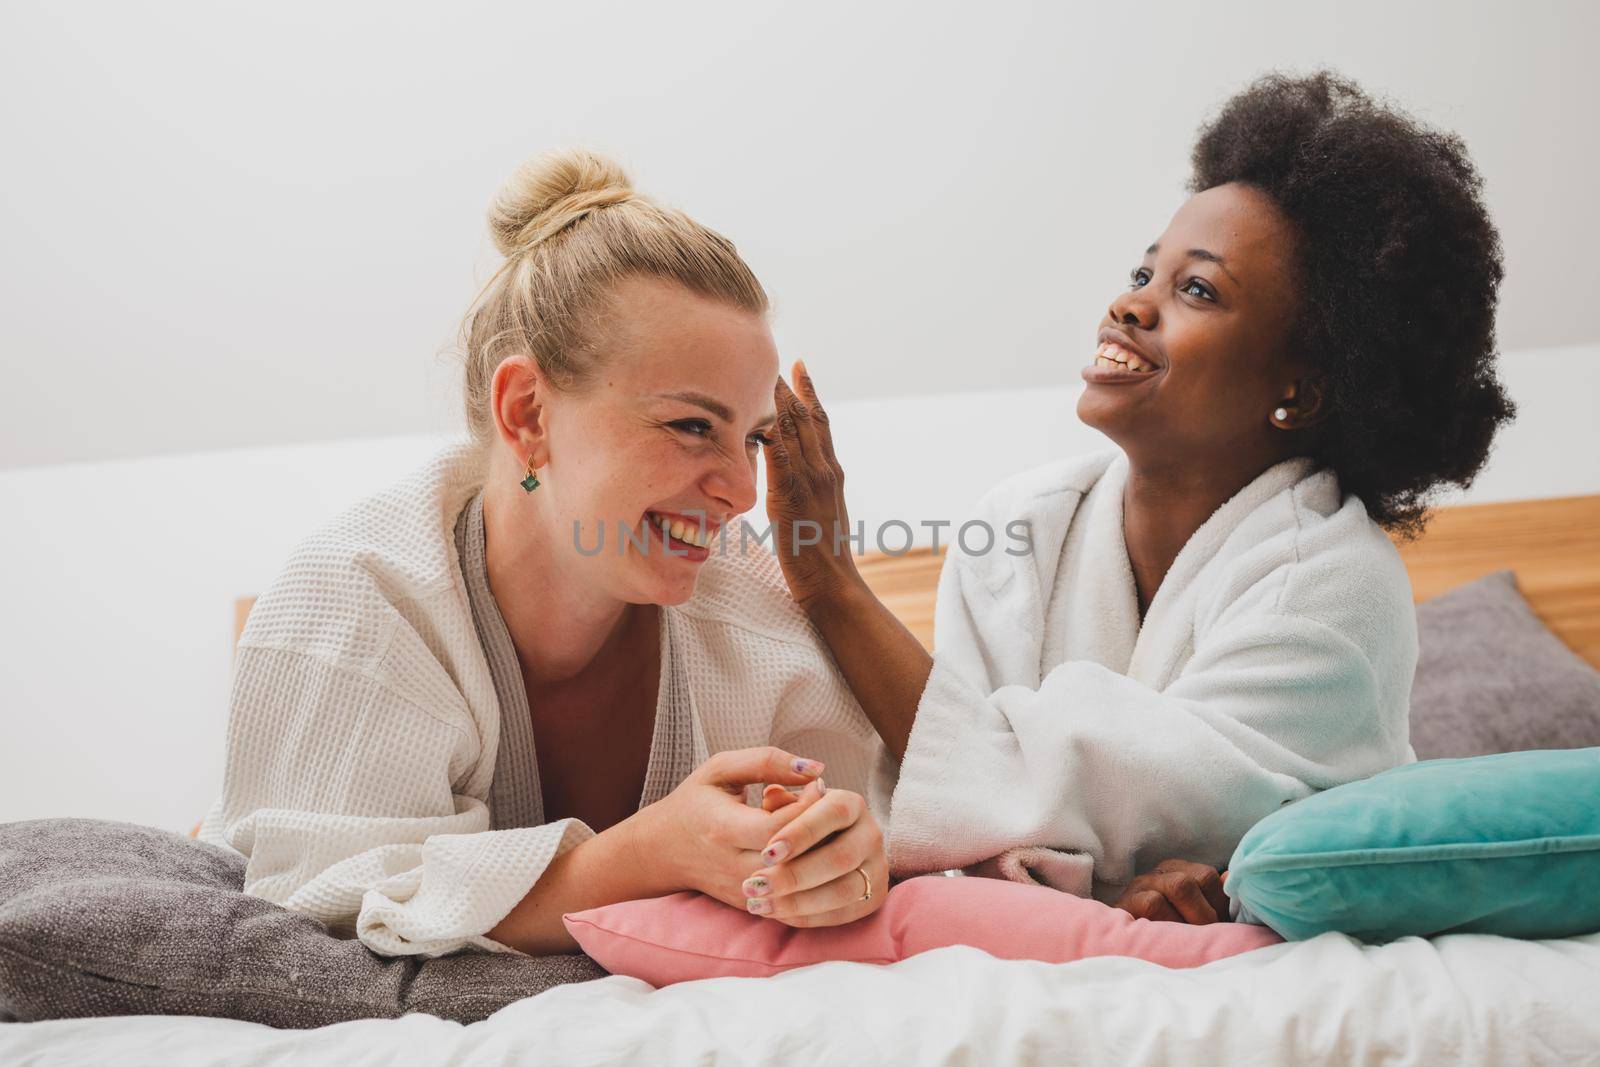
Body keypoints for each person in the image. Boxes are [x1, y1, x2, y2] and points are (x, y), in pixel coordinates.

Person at [756, 70, 1516, 923]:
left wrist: (832, 583)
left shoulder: (1336, 584)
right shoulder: (1020, 527)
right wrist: (1106, 884)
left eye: (1197, 289)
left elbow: (1024, 784)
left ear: (1298, 391)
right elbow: (961, 811)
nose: (1128, 304)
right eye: (1144, 272)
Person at [198, 149, 897, 958]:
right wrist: (647, 851)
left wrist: (845, 862)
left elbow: (878, 846)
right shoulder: (359, 595)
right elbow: (323, 897)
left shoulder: (758, 617)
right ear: (527, 412)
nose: (742, 492)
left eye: (753, 439)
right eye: (692, 426)